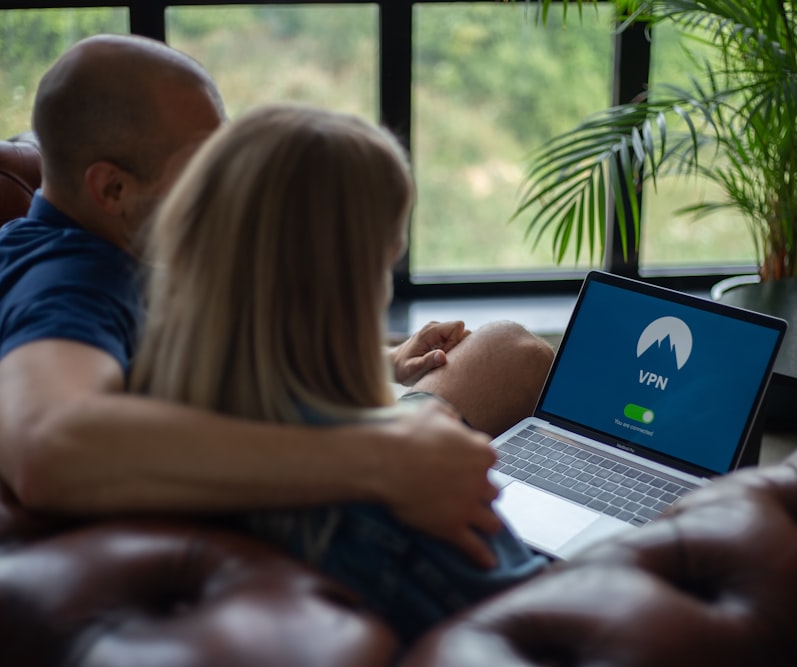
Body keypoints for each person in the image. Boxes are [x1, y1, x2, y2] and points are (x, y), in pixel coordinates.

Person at [0, 34, 554, 570]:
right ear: (112, 187)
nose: (228, 187)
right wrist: (377, 456)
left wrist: (386, 363)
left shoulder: (112, 247)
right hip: (304, 517)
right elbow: (48, 447)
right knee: (509, 354)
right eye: (204, 168)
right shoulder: (62, 286)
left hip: (299, 465)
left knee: (507, 351)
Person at [129, 103, 549, 641]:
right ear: (361, 274)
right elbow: (545, 629)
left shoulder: (148, 417)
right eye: (389, 252)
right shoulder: (407, 491)